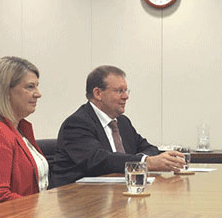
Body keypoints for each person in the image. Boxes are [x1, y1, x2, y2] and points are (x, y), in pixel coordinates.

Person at [50, 66, 184, 187]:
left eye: (126, 91)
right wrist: (146, 162)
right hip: (81, 200)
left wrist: (147, 160)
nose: (126, 97)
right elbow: (98, 160)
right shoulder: (77, 123)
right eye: (119, 91)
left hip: (117, 194)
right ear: (98, 93)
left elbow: (149, 148)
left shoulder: (122, 122)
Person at [0, 57, 48, 207]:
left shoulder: (21, 128)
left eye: (37, 86)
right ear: (5, 91)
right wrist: (43, 209)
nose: (38, 94)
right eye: (30, 87)